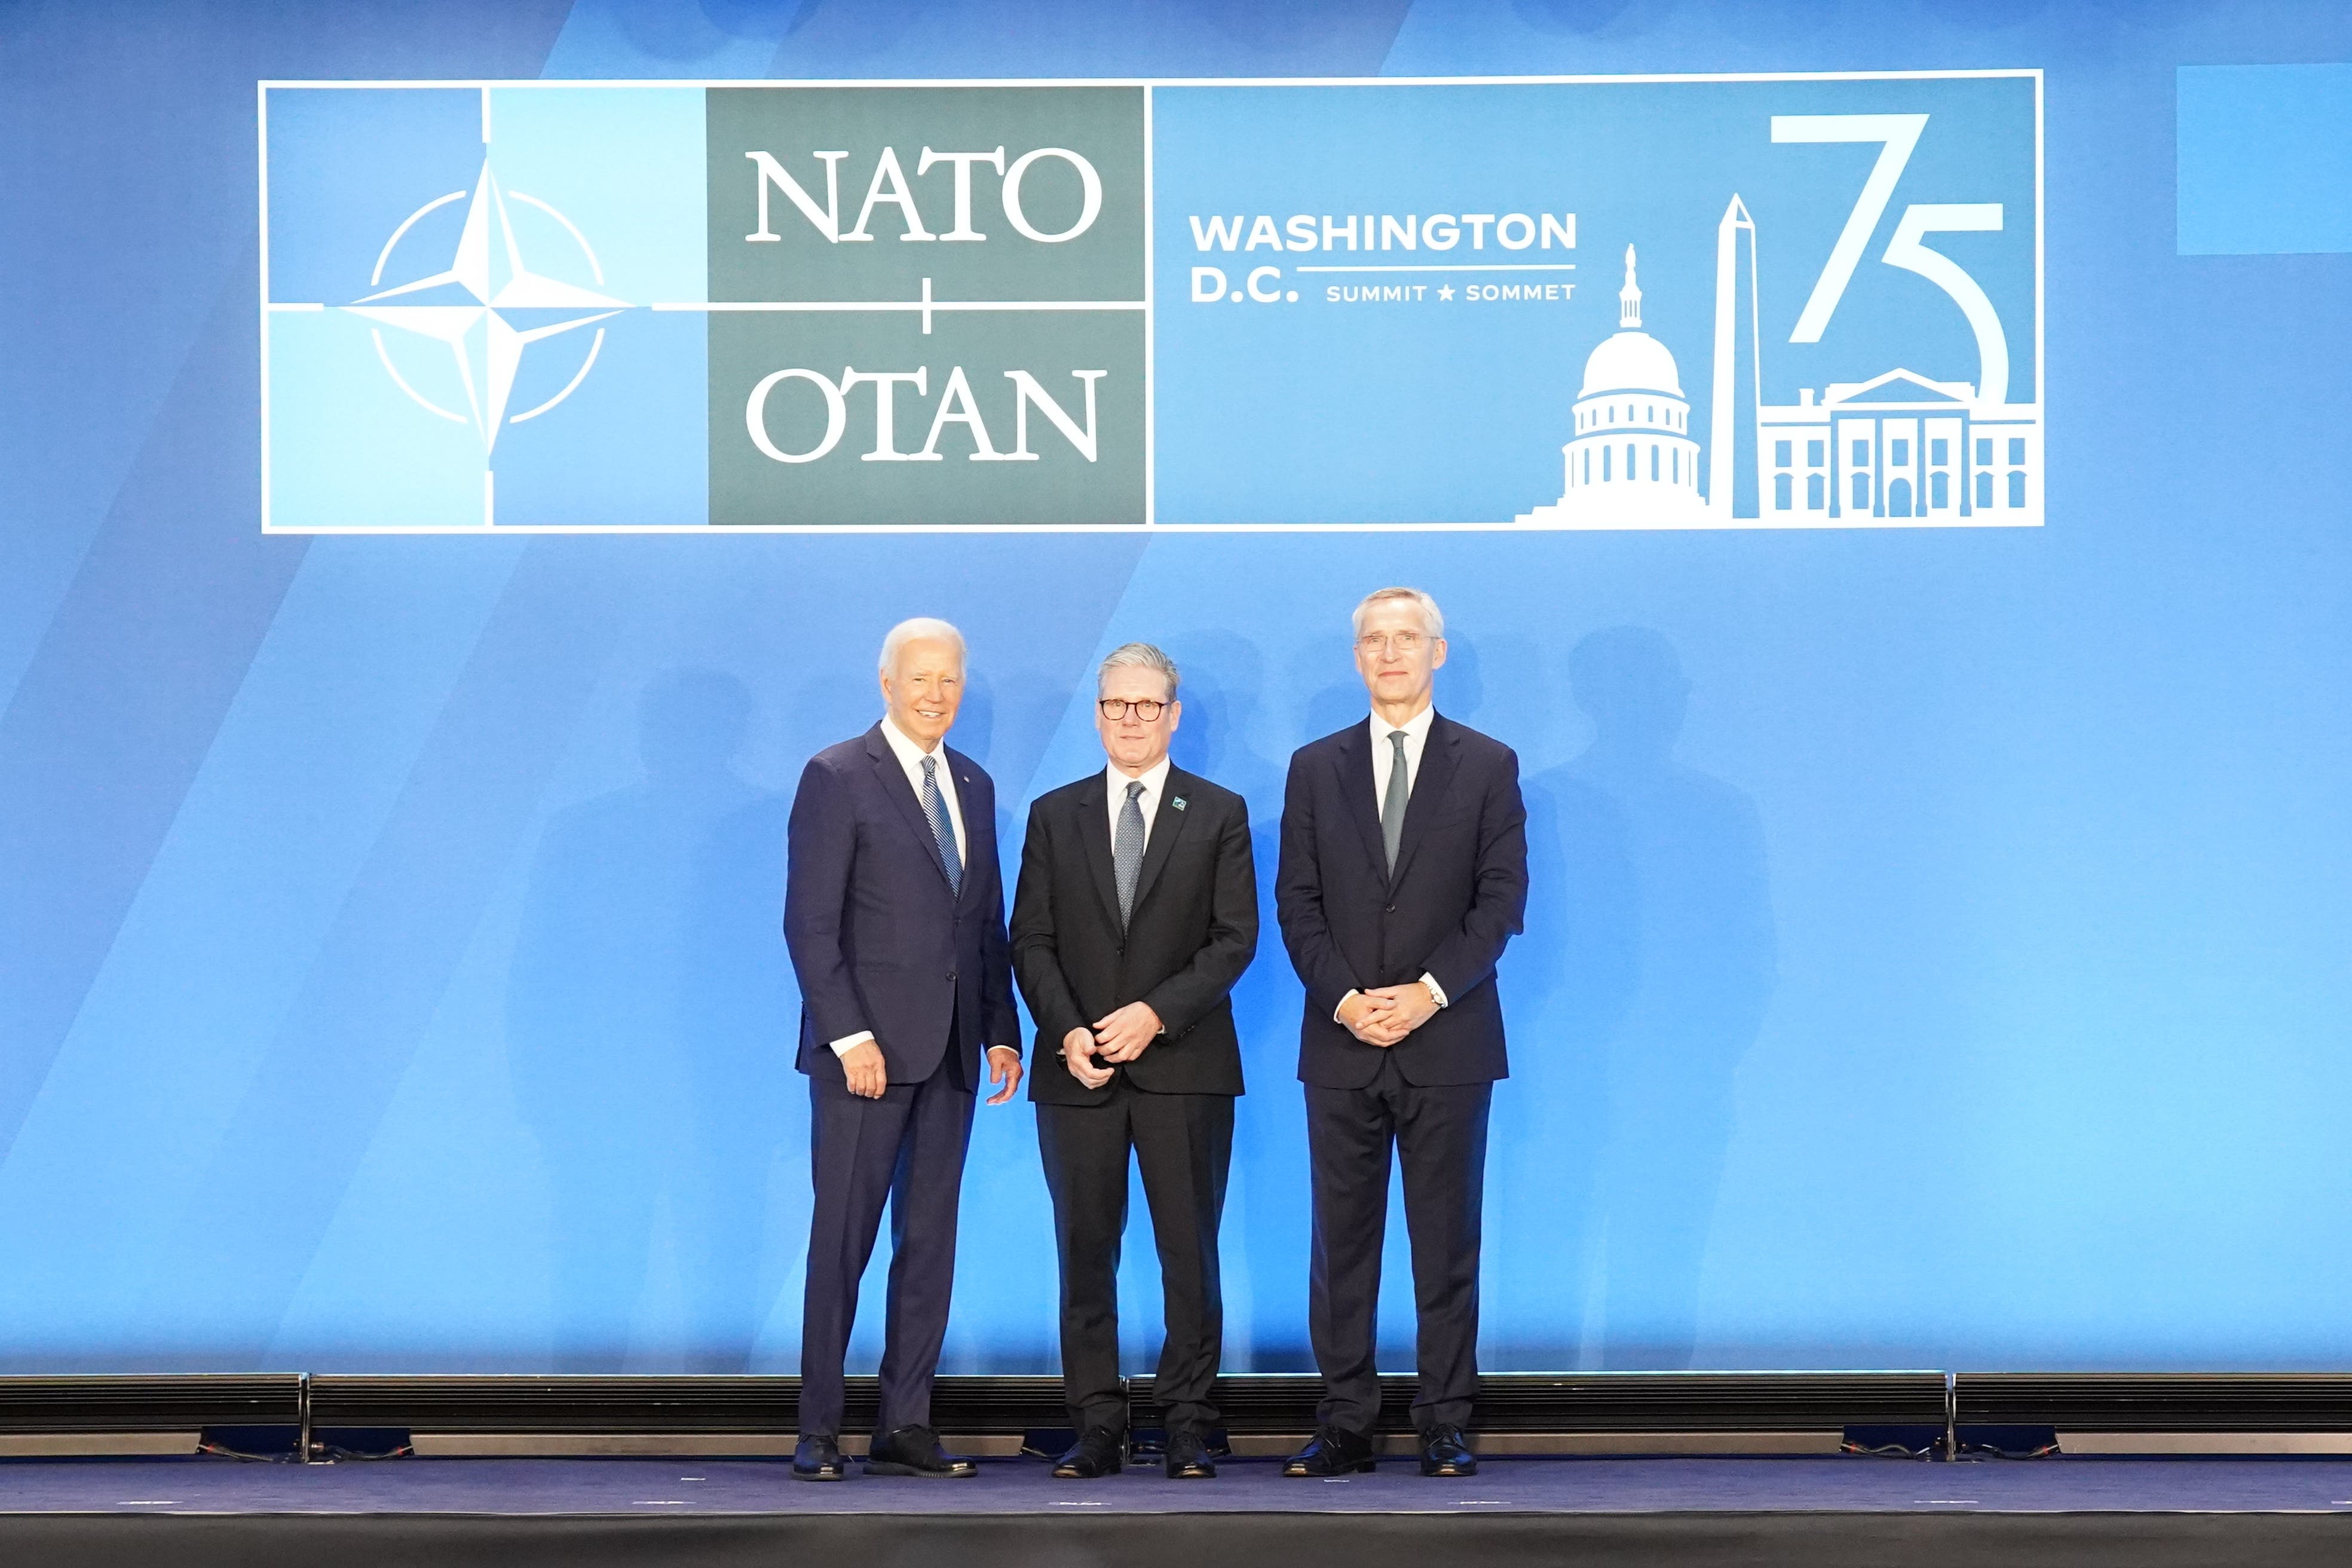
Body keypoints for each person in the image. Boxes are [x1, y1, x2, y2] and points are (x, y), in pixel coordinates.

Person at [1275, 587, 1529, 1479]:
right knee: (1340, 1246)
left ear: (1438, 653)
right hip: (1341, 1042)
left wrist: (1426, 993)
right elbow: (1296, 904)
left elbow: (1500, 906)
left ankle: (1444, 1422)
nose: (1391, 654)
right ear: (1357, 658)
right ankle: (1345, 1420)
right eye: (1375, 641)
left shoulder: (1489, 764)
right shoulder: (1314, 767)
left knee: (1446, 1243)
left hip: (1448, 1042)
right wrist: (1347, 1000)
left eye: (1407, 639)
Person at [782, 617, 1024, 1481]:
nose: (936, 695)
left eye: (950, 680)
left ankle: (904, 1424)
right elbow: (810, 925)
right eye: (920, 679)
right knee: (841, 1242)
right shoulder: (838, 775)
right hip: (865, 1059)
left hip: (956, 1056)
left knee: (929, 1246)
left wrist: (1002, 1028)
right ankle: (817, 1430)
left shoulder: (975, 782)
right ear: (886, 683)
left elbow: (983, 921)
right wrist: (850, 1035)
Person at [1012, 643, 1258, 1482]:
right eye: (1116, 705)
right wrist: (1068, 1031)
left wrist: (1155, 1015)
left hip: (1185, 1067)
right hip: (1076, 1074)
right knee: (1085, 1252)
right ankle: (1097, 1423)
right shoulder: (1054, 813)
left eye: (1147, 707)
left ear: (1174, 714)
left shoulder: (1219, 812)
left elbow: (1235, 940)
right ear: (1097, 714)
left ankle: (1188, 1420)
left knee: (1188, 1251)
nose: (1130, 720)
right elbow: (1030, 939)